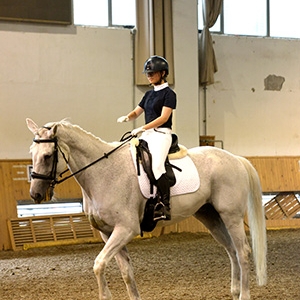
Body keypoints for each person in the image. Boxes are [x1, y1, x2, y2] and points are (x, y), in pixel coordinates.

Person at [117, 55, 177, 220]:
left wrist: (142, 128)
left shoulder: (169, 94)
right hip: (148, 134)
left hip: (162, 135)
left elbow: (164, 118)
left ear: (163, 73)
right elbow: (137, 112)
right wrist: (127, 117)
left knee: (157, 166)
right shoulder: (149, 94)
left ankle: (165, 205)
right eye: (148, 73)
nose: (149, 76)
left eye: (153, 73)